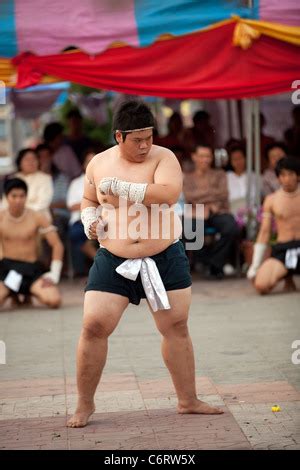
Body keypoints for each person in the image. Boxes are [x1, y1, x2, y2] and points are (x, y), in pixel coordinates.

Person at [67, 100, 223, 428]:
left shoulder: (164, 157)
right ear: (119, 136)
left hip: (164, 255)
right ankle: (84, 404)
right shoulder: (97, 163)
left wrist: (123, 188)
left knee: (176, 326)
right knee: (93, 325)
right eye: (137, 140)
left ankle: (188, 399)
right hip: (114, 258)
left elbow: (168, 194)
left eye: (149, 137)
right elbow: (89, 199)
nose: (144, 145)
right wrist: (89, 219)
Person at [0, 178, 63, 308]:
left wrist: (54, 274)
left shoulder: (37, 216)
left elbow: (57, 244)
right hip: (7, 270)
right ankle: (12, 293)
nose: (18, 200)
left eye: (22, 196)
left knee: (54, 301)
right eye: (14, 196)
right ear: (6, 197)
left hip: (31, 269)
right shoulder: (1, 217)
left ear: (26, 197)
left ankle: (31, 291)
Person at [182, 145, 239, 279]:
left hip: (218, 210)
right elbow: (190, 196)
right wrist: (210, 198)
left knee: (232, 228)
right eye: (202, 156)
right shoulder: (188, 177)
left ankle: (214, 263)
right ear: (194, 157)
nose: (205, 160)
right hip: (197, 211)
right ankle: (208, 263)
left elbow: (223, 194)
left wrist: (202, 198)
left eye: (208, 156)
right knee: (188, 230)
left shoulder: (219, 174)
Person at [247, 157, 300, 294]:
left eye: (290, 174)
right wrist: (255, 265)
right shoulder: (271, 200)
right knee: (261, 285)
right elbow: (265, 232)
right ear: (278, 178)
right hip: (284, 249)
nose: (287, 179)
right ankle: (286, 274)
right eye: (283, 175)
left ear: (297, 176)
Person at [226, 145, 256, 214]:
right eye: (235, 159)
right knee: (199, 223)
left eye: (240, 158)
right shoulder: (225, 177)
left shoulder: (254, 176)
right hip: (200, 210)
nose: (238, 162)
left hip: (251, 211)